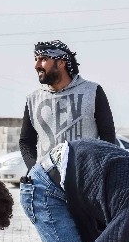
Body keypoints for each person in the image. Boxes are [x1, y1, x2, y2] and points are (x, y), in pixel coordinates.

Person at [19, 40, 117, 170]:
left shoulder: (92, 91)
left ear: (61, 62)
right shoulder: (33, 99)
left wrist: (100, 170)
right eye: (36, 59)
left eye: (43, 59)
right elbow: (26, 141)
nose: (36, 65)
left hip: (85, 181)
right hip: (47, 183)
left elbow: (108, 136)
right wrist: (35, 171)